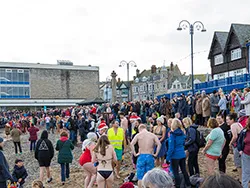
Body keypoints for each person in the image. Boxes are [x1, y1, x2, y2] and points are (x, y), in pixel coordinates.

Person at [131, 124, 161, 188]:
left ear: (140, 129)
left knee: (140, 177)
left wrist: (135, 153)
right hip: (150, 156)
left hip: (141, 156)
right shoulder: (152, 135)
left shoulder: (139, 135)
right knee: (150, 177)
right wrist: (156, 154)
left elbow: (132, 144)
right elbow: (159, 144)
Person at [167, 118, 191, 188]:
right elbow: (184, 143)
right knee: (184, 170)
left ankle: (177, 185)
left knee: (175, 172)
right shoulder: (182, 133)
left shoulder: (173, 135)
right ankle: (188, 184)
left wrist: (168, 157)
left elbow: (171, 148)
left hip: (175, 155)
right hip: (182, 154)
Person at [227, 113, 243, 180]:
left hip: (237, 146)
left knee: (238, 164)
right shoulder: (239, 124)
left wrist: (230, 143)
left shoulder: (233, 125)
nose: (227, 121)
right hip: (242, 145)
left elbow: (235, 136)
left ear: (232, 120)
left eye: (228, 120)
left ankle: (241, 179)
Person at [237, 117, 250, 188]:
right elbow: (239, 141)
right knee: (246, 172)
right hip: (246, 154)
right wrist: (240, 150)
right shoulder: (244, 131)